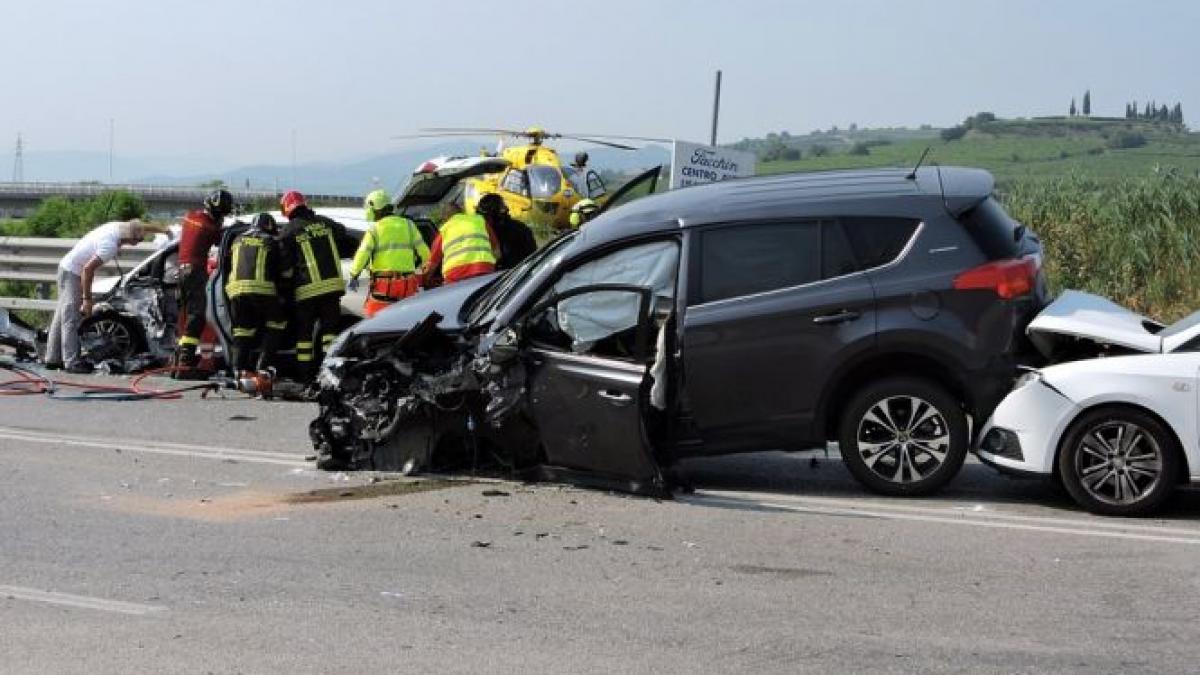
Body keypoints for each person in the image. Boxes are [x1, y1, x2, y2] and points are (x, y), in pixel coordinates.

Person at [44, 219, 149, 373]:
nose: (140, 242)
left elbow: (141, 226)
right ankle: (71, 362)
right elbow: (87, 270)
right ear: (131, 238)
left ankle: (53, 359)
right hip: (73, 272)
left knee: (62, 316)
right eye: (139, 240)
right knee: (71, 318)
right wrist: (87, 299)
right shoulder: (109, 247)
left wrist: (165, 230)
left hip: (66, 267)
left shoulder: (116, 226)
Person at [277, 190, 351, 386]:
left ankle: (305, 377)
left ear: (287, 209)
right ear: (305, 204)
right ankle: (330, 374)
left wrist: (283, 285)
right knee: (330, 334)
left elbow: (284, 267)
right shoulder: (325, 223)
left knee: (304, 337)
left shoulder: (289, 231)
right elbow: (343, 233)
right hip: (331, 289)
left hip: (306, 291)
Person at [225, 213, 286, 391]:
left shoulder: (237, 239)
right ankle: (263, 365)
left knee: (242, 330)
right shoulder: (270, 241)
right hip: (262, 290)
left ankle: (238, 370)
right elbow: (282, 270)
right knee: (277, 323)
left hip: (235, 290)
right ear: (268, 226)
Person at [175, 189, 233, 377]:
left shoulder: (190, 216)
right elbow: (222, 243)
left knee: (187, 318)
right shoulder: (211, 228)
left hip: (181, 272)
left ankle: (179, 363)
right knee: (197, 317)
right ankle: (185, 364)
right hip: (195, 271)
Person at [348, 189, 430, 317]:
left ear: (374, 207)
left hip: (384, 286)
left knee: (376, 322)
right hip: (407, 284)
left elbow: (362, 254)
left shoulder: (375, 229)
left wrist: (354, 275)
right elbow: (425, 253)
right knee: (406, 319)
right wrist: (424, 269)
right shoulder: (409, 225)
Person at [421, 200, 499, 288]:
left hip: (455, 275)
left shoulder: (445, 230)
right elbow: (497, 251)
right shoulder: (480, 221)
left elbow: (432, 264)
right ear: (461, 211)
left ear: (446, 218)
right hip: (484, 268)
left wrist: (425, 281)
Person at [476, 193, 536, 270]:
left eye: (485, 217)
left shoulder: (514, 232)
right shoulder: (521, 228)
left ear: (492, 216)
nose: (483, 221)